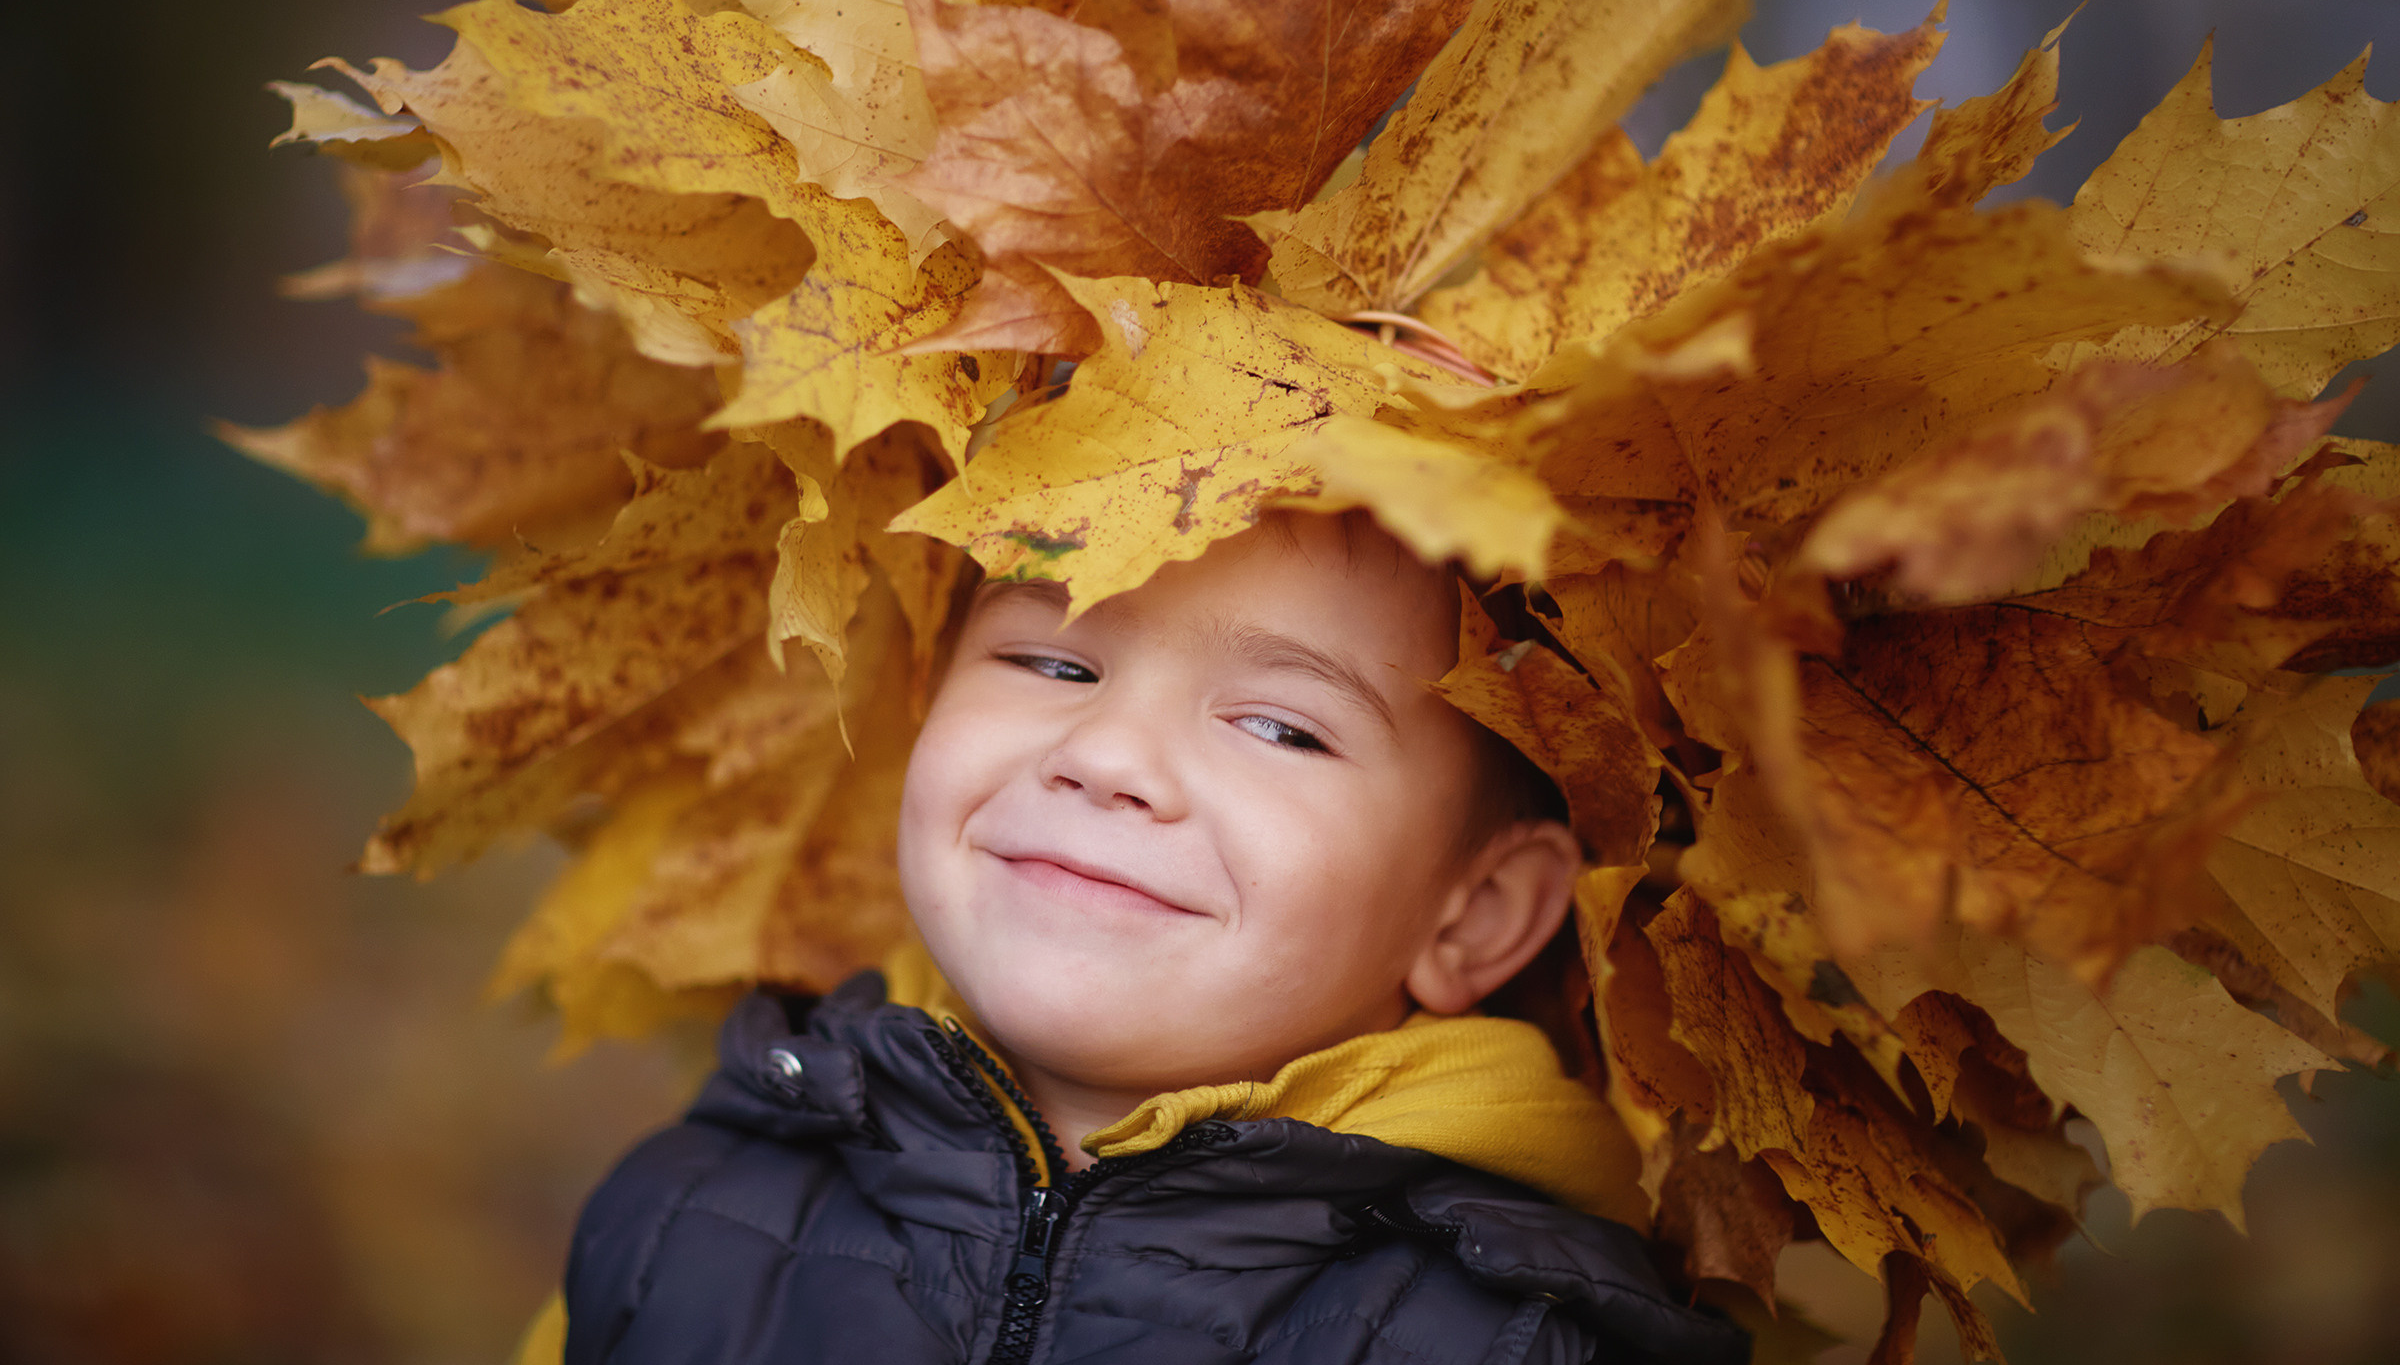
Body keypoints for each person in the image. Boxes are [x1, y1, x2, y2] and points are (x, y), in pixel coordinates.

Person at [561, 510, 1749, 1365]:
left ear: (1475, 913)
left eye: (1284, 729)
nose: (1109, 755)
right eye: (1051, 659)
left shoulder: (1515, 1342)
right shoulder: (682, 1213)